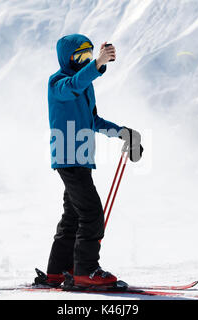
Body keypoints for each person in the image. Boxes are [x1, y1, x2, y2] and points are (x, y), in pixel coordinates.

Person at [45, 34, 143, 288]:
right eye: (79, 57)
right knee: (91, 214)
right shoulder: (58, 83)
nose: (84, 61)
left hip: (81, 158)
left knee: (74, 215)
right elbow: (74, 84)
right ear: (66, 59)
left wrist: (123, 133)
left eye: (88, 56)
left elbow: (93, 121)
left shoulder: (85, 87)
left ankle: (58, 270)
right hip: (69, 158)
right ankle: (85, 271)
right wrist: (97, 63)